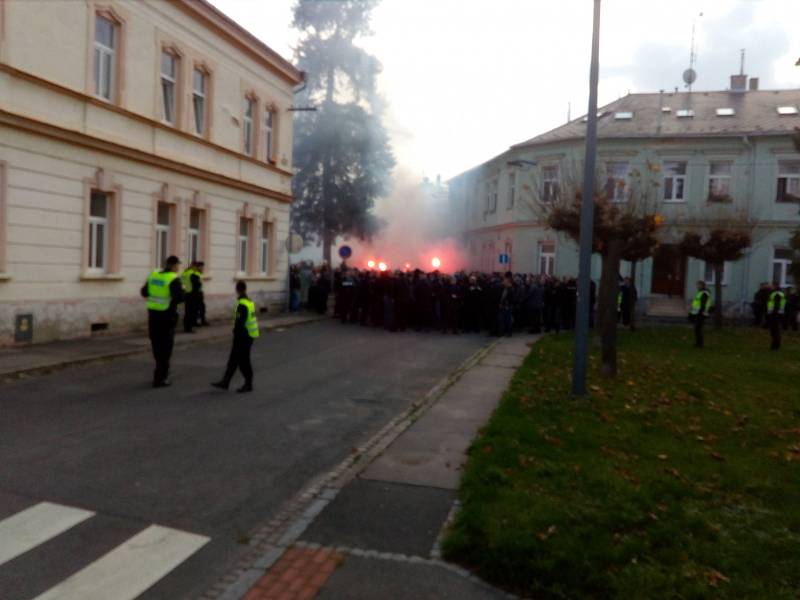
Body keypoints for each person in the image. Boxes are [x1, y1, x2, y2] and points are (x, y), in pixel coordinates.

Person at [141, 255, 184, 387]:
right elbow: (180, 298)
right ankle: (161, 377)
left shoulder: (154, 276)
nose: (178, 268)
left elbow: (144, 292)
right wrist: (183, 292)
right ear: (173, 265)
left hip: (153, 316)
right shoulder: (173, 279)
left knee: (156, 345)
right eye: (178, 265)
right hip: (167, 317)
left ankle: (160, 372)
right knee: (166, 348)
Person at [212, 281, 259, 392]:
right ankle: (226, 381)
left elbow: (239, 322)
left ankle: (248, 384)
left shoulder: (242, 304)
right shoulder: (249, 302)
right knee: (233, 360)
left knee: (243, 361)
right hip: (248, 335)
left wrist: (236, 333)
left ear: (237, 290)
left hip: (243, 336)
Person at [689, 280, 712, 348]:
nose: (697, 286)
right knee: (697, 329)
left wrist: (700, 313)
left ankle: (699, 344)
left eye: (698, 285)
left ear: (702, 285)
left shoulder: (704, 293)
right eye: (697, 285)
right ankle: (698, 343)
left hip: (701, 314)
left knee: (698, 329)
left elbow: (703, 305)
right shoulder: (701, 293)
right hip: (699, 313)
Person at [181, 261, 203, 333]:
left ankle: (186, 327)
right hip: (192, 295)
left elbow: (182, 283)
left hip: (185, 293)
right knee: (191, 312)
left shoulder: (184, 273)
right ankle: (188, 328)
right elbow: (197, 285)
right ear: (193, 266)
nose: (197, 268)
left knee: (187, 312)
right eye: (196, 267)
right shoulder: (193, 274)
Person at [767, 283, 786, 350]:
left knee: (775, 330)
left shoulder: (777, 294)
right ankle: (775, 345)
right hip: (777, 313)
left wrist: (772, 311)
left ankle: (775, 345)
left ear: (775, 286)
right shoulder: (778, 293)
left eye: (772, 285)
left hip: (775, 313)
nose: (770, 286)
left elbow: (776, 303)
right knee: (775, 329)